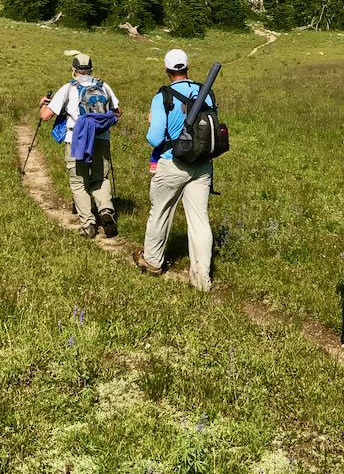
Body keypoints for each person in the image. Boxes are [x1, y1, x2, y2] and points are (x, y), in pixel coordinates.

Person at [133, 49, 215, 292]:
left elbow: (155, 138)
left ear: (166, 70)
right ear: (188, 66)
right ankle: (201, 279)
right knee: (199, 220)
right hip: (201, 164)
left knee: (160, 212)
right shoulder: (206, 93)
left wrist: (150, 122)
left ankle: (153, 262)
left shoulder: (163, 97)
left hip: (173, 162)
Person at [40, 53, 121, 240]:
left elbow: (46, 116)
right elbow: (118, 112)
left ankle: (88, 224)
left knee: (79, 182)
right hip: (101, 139)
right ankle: (106, 211)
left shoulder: (69, 88)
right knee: (100, 177)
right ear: (91, 69)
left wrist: (42, 104)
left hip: (77, 140)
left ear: (73, 70)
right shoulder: (103, 86)